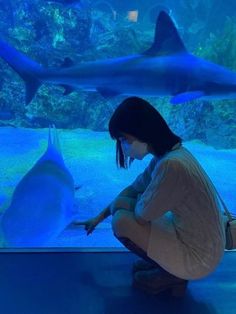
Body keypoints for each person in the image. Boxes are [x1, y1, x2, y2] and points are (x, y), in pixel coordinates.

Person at [75, 97, 226, 296]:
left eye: (124, 139)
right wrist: (99, 217)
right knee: (122, 208)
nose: (123, 146)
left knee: (121, 222)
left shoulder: (171, 166)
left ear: (141, 132)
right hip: (196, 241)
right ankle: (168, 266)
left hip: (199, 258)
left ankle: (173, 275)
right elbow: (133, 189)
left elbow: (141, 215)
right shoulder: (169, 156)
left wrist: (119, 207)